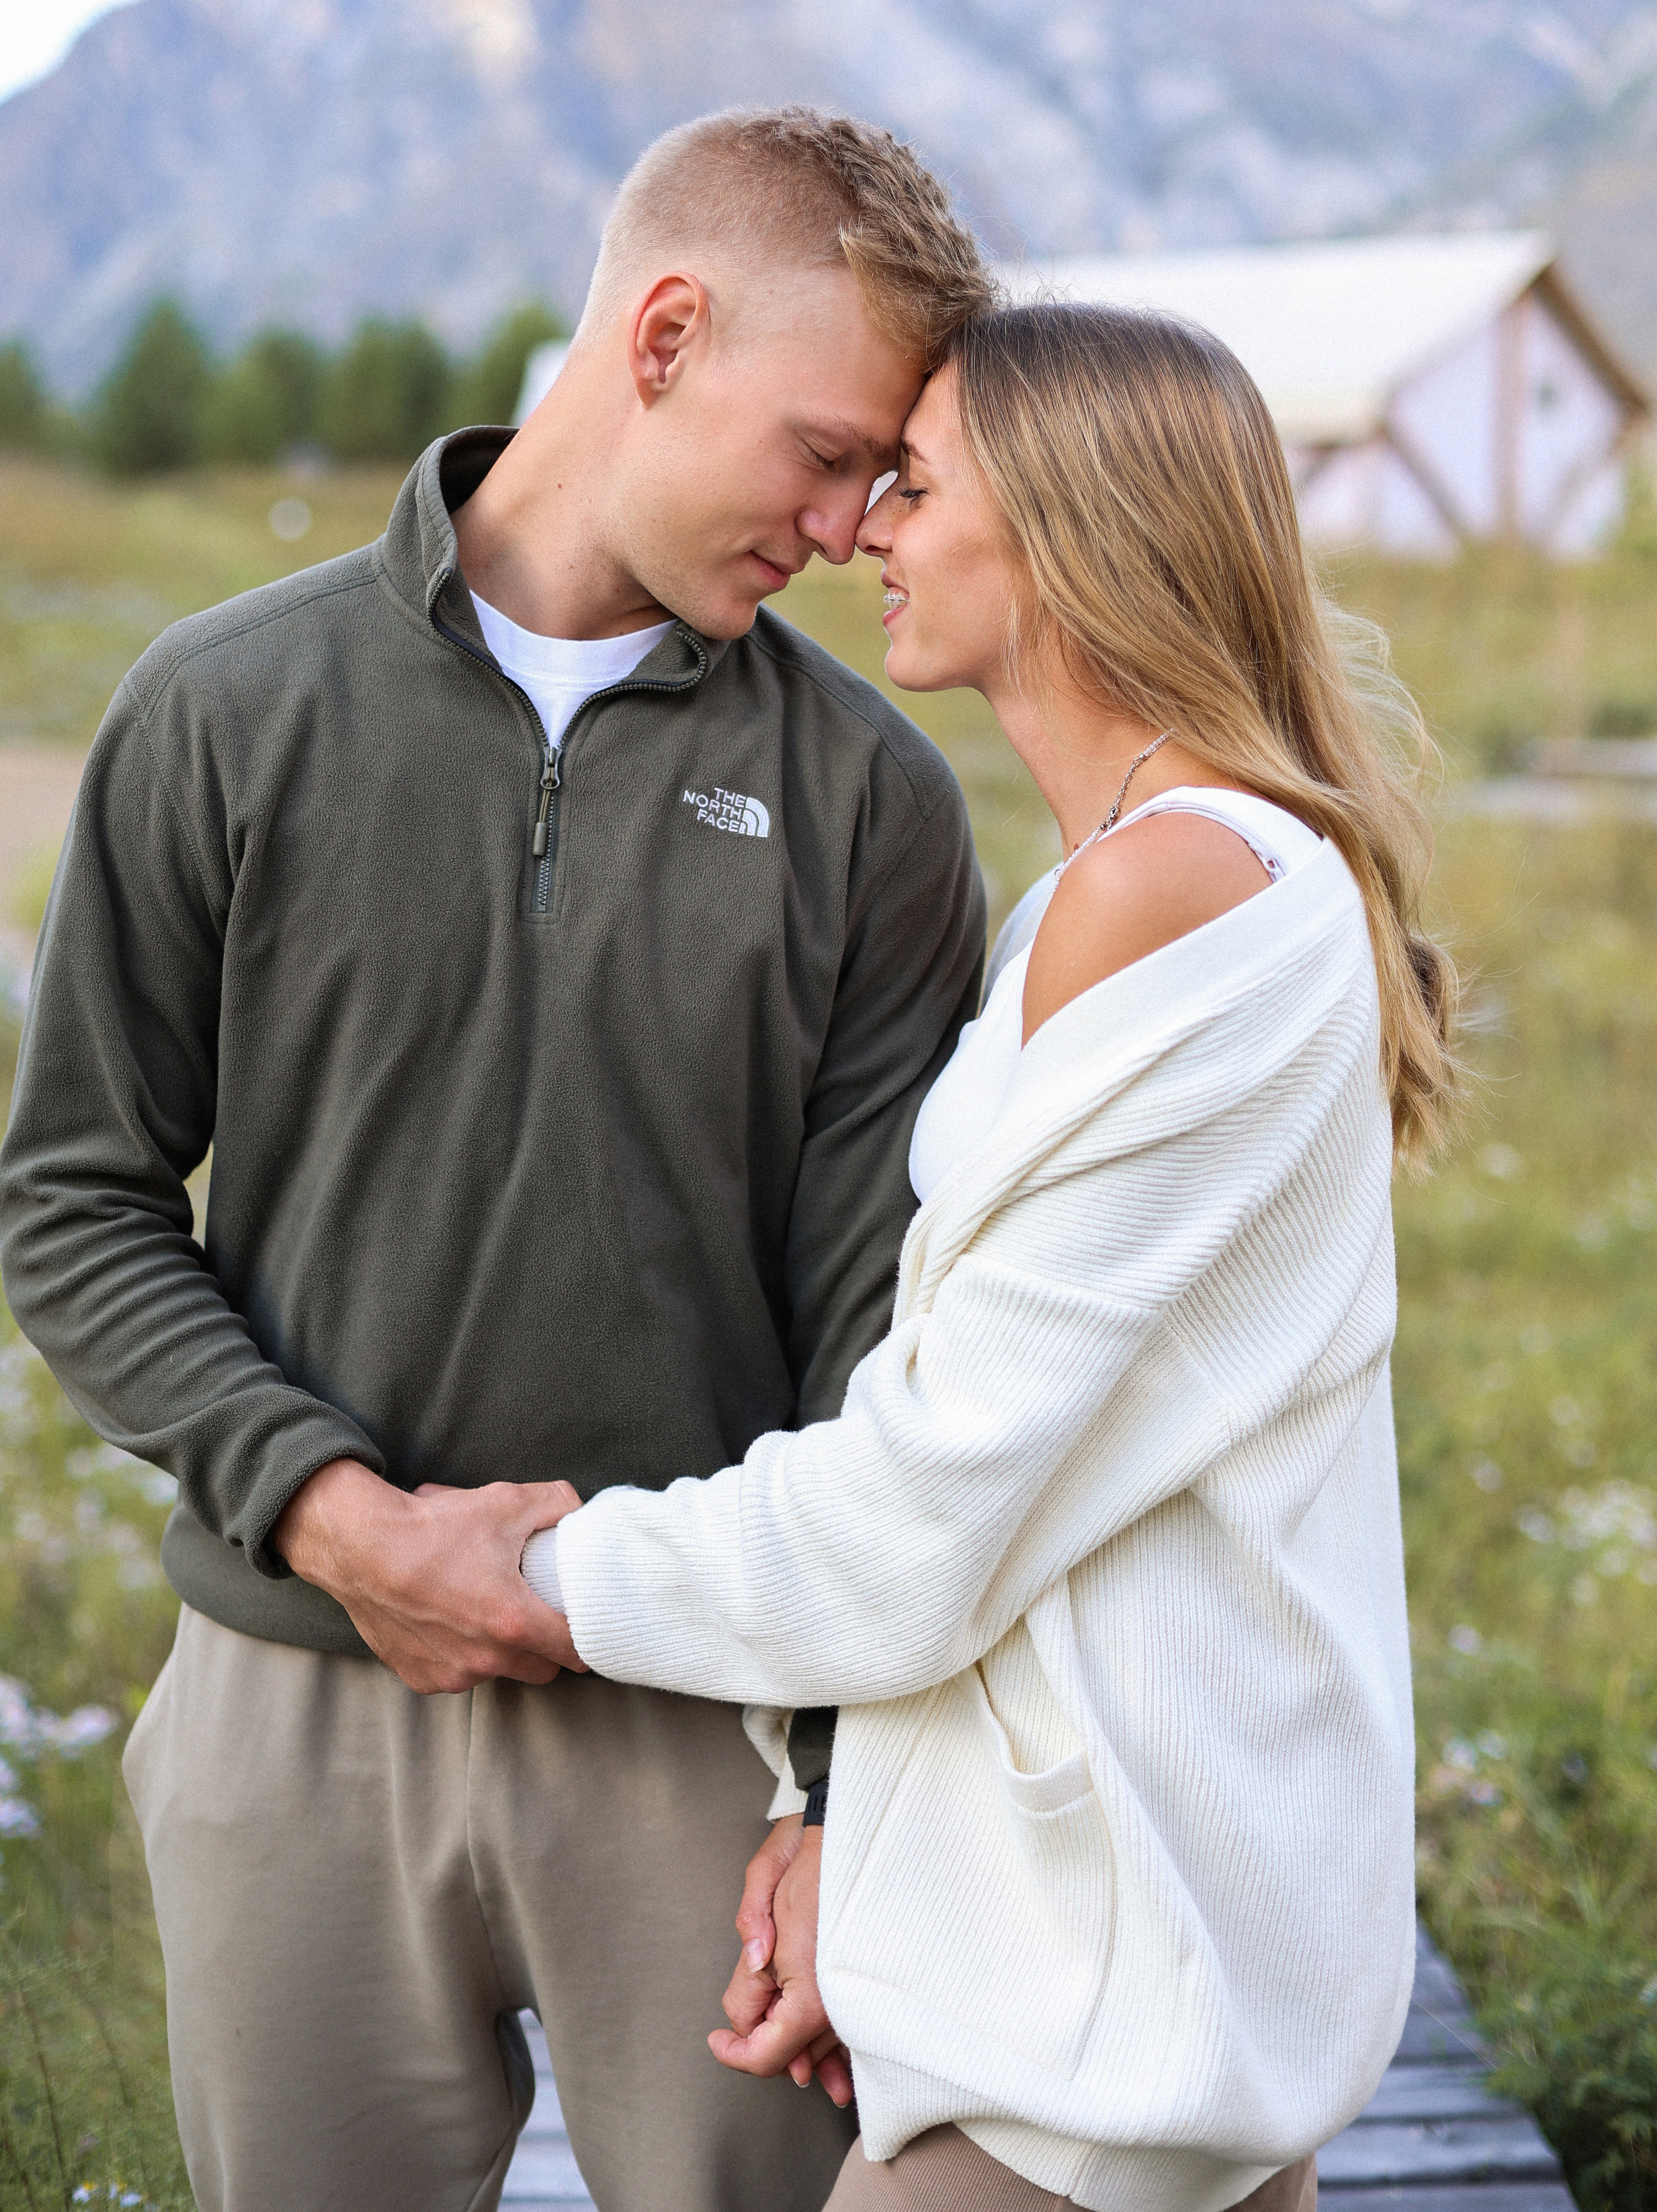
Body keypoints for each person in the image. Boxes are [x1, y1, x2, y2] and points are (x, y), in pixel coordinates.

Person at [0, 108, 994, 2212]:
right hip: (291, 1706)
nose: (842, 526)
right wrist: (342, 1522)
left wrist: (835, 1791)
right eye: (826, 450)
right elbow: (72, 1198)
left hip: (701, 1736)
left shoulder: (875, 808)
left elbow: (871, 1329)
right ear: (660, 336)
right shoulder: (221, 708)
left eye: (882, 479)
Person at [528, 302, 1459, 2211]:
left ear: (1069, 529)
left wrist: (537, 1576)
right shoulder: (1156, 879)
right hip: (1137, 1965)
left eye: (918, 483)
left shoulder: (1176, 890)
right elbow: (1043, 1463)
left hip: (1098, 2024)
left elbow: (925, 1506)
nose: (866, 522)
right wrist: (842, 1832)